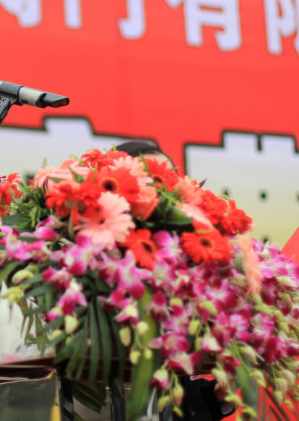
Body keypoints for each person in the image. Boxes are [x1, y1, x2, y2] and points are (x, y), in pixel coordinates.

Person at [117, 140, 235, 421]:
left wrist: (214, 396)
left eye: (170, 180)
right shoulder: (100, 262)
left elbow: (179, 391)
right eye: (151, 179)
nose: (164, 190)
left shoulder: (187, 264)